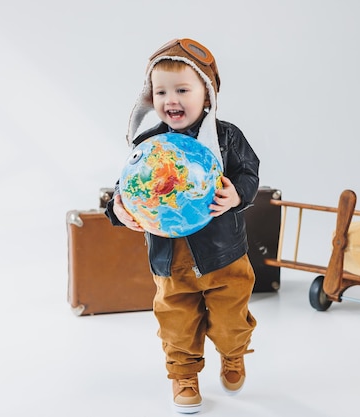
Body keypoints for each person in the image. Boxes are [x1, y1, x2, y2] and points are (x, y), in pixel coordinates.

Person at [105, 38, 259, 414]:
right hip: (170, 261)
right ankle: (183, 374)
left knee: (230, 320)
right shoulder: (148, 143)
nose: (170, 99)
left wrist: (237, 195)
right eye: (161, 91)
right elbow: (126, 187)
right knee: (176, 322)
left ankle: (233, 352)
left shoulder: (227, 137)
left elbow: (249, 174)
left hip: (224, 256)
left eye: (182, 90)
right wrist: (118, 209)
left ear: (206, 95)